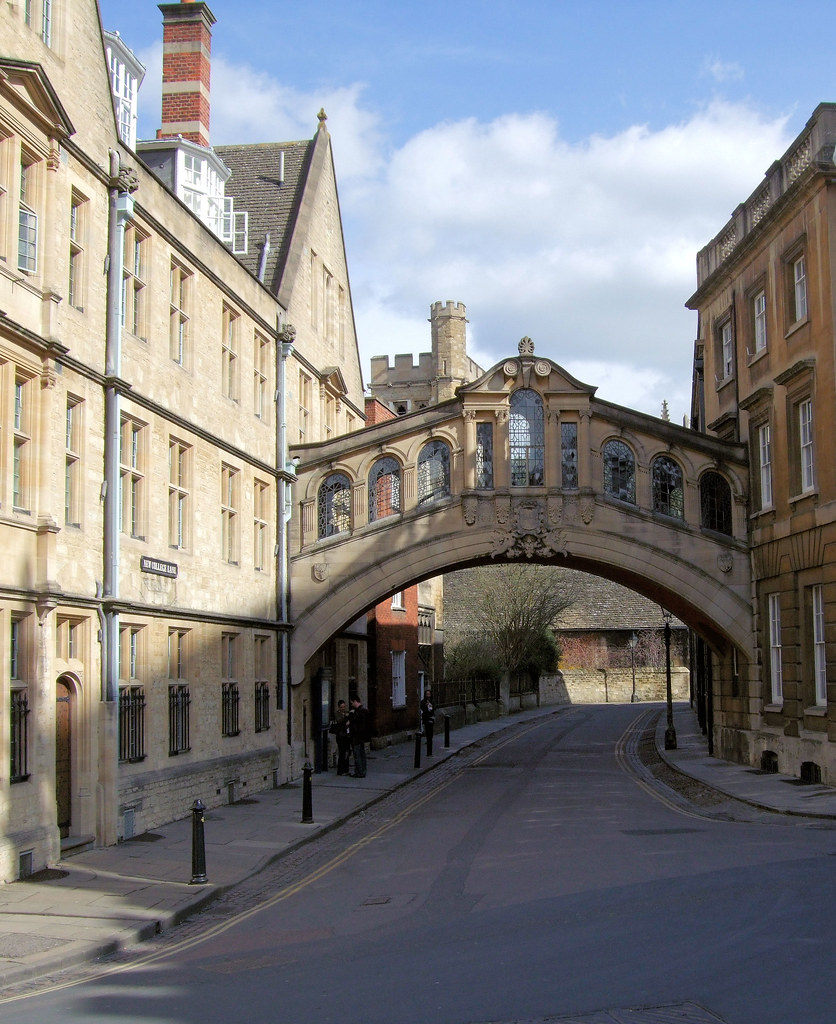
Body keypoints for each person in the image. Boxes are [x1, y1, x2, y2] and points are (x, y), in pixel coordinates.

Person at [348, 697, 369, 777]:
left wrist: (351, 714)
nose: (352, 705)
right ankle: (363, 771)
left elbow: (354, 723)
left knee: (357, 755)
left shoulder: (358, 712)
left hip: (356, 737)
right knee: (362, 754)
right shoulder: (364, 711)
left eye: (352, 703)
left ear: (355, 701)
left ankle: (359, 772)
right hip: (362, 737)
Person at [331, 699, 351, 776]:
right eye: (341, 707)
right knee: (342, 753)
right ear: (339, 707)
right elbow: (339, 721)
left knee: (347, 752)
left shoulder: (346, 712)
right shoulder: (337, 714)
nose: (343, 708)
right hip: (341, 735)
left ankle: (346, 770)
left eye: (344, 707)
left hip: (347, 735)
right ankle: (340, 770)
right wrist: (345, 718)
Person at [420, 688, 435, 756]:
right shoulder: (423, 702)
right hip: (426, 718)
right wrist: (427, 706)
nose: (428, 695)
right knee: (427, 730)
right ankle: (428, 740)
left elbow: (433, 709)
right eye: (427, 694)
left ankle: (430, 740)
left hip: (431, 718)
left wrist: (430, 706)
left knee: (431, 731)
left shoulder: (432, 701)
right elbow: (422, 708)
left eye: (429, 694)